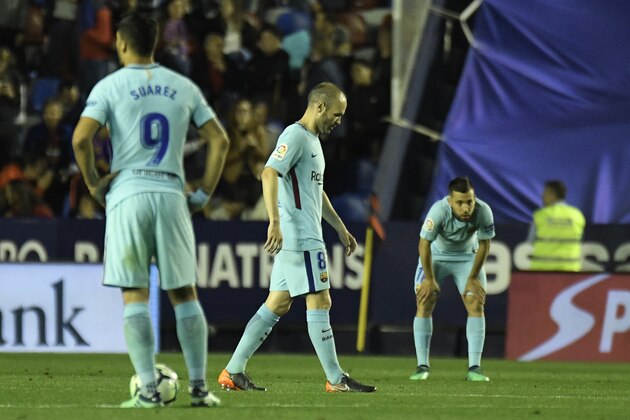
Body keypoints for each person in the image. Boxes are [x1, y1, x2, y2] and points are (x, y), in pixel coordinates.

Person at [71, 12, 229, 408]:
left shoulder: (109, 85)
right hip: (172, 194)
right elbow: (220, 141)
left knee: (135, 295)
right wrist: (205, 193)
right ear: (155, 43)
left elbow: (80, 139)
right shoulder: (183, 85)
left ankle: (146, 391)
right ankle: (198, 389)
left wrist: (93, 183)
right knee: (185, 294)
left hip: (127, 193)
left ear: (122, 44)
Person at [217, 82, 376, 393]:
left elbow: (316, 192)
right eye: (336, 114)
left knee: (277, 304)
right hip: (300, 236)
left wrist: (340, 227)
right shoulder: (295, 136)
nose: (338, 121)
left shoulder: (313, 141)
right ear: (319, 107)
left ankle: (233, 370)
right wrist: (274, 221)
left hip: (306, 233)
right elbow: (268, 172)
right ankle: (336, 378)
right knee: (321, 300)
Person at [410, 176, 495, 382]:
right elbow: (424, 245)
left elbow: (484, 244)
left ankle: (474, 368)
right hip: (436, 256)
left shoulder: (484, 211)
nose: (465, 208)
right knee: (425, 300)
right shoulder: (438, 211)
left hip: (467, 258)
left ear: (474, 199)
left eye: (469, 202)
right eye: (460, 203)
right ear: (450, 201)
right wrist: (429, 279)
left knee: (476, 303)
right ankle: (422, 367)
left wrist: (473, 277)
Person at [528, 180, 585, 271]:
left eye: (545, 192)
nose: (542, 196)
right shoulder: (577, 215)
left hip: (542, 270)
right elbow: (580, 239)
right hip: (570, 269)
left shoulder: (540, 215)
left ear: (552, 194)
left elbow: (530, 241)